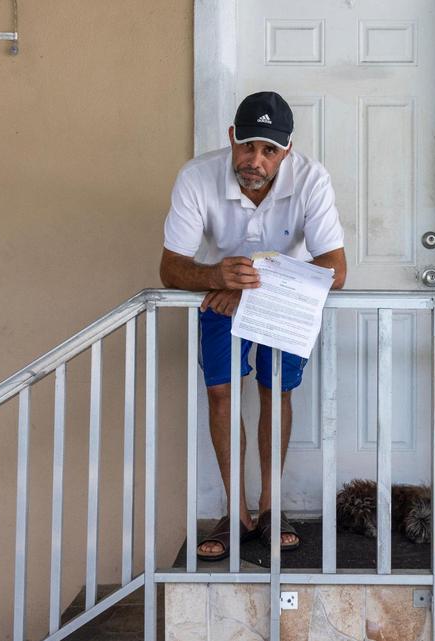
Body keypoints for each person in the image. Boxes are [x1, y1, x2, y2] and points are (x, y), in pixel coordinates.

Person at [159, 91, 347, 562]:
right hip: (219, 297)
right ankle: (236, 513)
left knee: (275, 391)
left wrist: (245, 287)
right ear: (231, 138)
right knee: (221, 394)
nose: (255, 160)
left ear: (287, 150)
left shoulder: (311, 178)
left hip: (282, 298)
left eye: (269, 150)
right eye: (247, 146)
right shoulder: (196, 176)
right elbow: (170, 268)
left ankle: (270, 508)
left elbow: (336, 268)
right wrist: (214, 275)